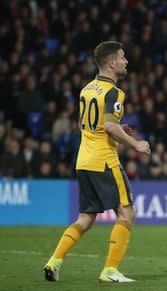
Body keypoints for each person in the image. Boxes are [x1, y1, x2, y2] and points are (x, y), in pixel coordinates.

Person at [44, 41, 151, 283]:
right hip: (105, 161)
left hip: (84, 160)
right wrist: (137, 145)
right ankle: (110, 270)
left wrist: (117, 130)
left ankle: (54, 262)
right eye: (122, 57)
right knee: (127, 213)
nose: (126, 61)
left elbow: (94, 126)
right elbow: (109, 126)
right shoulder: (115, 92)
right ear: (111, 63)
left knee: (86, 218)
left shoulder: (86, 89)